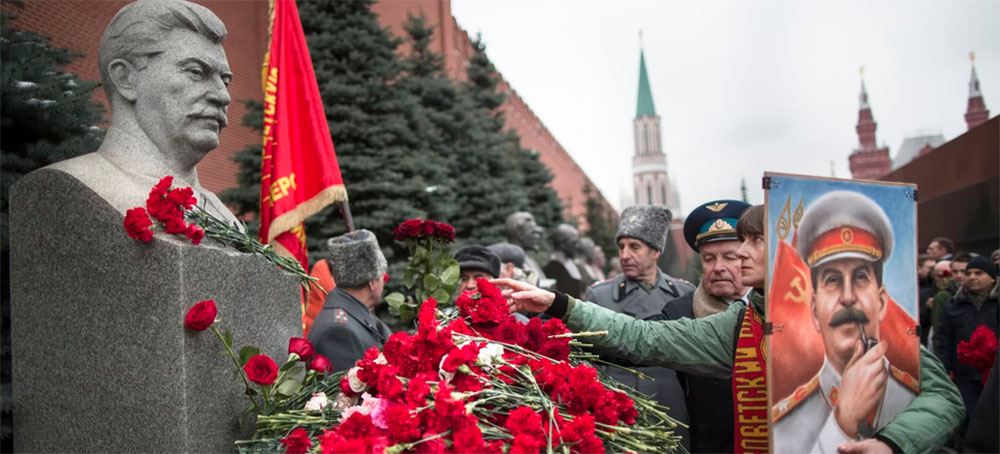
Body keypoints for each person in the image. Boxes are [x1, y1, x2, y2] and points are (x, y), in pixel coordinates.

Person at [497, 204, 965, 454]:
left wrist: (890, 443)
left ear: (788, 246)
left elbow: (944, 398)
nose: (740, 254)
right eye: (738, 243)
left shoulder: (860, 317)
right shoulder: (743, 322)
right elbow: (648, 340)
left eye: (754, 241)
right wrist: (559, 304)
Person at [46, 0, 238, 226]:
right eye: (196, 72)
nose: (223, 96)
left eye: (225, 81)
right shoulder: (73, 187)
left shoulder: (224, 217)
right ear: (126, 78)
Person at [772, 191, 922, 452]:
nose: (849, 297)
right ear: (815, 311)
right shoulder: (784, 425)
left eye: (861, 277)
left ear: (883, 302)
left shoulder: (917, 399)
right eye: (832, 280)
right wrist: (842, 424)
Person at [583, 205, 696, 450]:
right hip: (621, 412)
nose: (624, 255)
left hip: (672, 407)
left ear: (655, 251)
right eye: (621, 246)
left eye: (634, 247)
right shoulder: (600, 296)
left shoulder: (685, 294)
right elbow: (587, 362)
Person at [666, 199, 751, 453]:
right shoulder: (679, 313)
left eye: (730, 257)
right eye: (709, 258)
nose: (718, 268)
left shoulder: (778, 308)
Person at [308, 230, 392, 373]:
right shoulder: (338, 330)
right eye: (382, 277)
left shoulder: (358, 313)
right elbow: (348, 393)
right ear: (372, 283)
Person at [934, 256, 999, 416]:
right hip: (964, 373)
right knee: (970, 417)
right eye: (969, 273)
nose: (972, 277)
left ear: (992, 278)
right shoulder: (953, 305)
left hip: (995, 373)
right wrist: (944, 368)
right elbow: (944, 339)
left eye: (979, 273)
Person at [503, 212, 552, 289]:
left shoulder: (530, 260)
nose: (537, 236)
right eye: (533, 232)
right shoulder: (511, 264)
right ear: (520, 234)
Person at [543, 224, 586, 298]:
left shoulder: (570, 263)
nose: (577, 246)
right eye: (574, 242)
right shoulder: (553, 268)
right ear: (563, 244)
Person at [918, 254, 937, 345]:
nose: (933, 272)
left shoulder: (935, 286)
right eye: (930, 268)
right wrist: (927, 307)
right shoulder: (912, 289)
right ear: (918, 268)